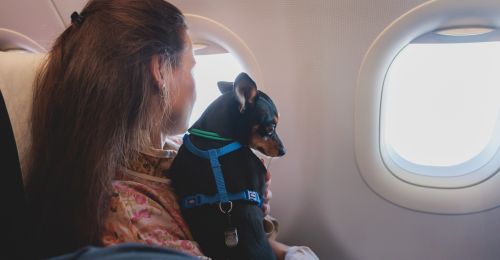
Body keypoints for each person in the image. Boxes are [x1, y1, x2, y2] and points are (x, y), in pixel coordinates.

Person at [25, 0, 318, 259]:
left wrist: (248, 212)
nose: (195, 81)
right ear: (160, 70)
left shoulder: (179, 151)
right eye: (191, 67)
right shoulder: (128, 215)